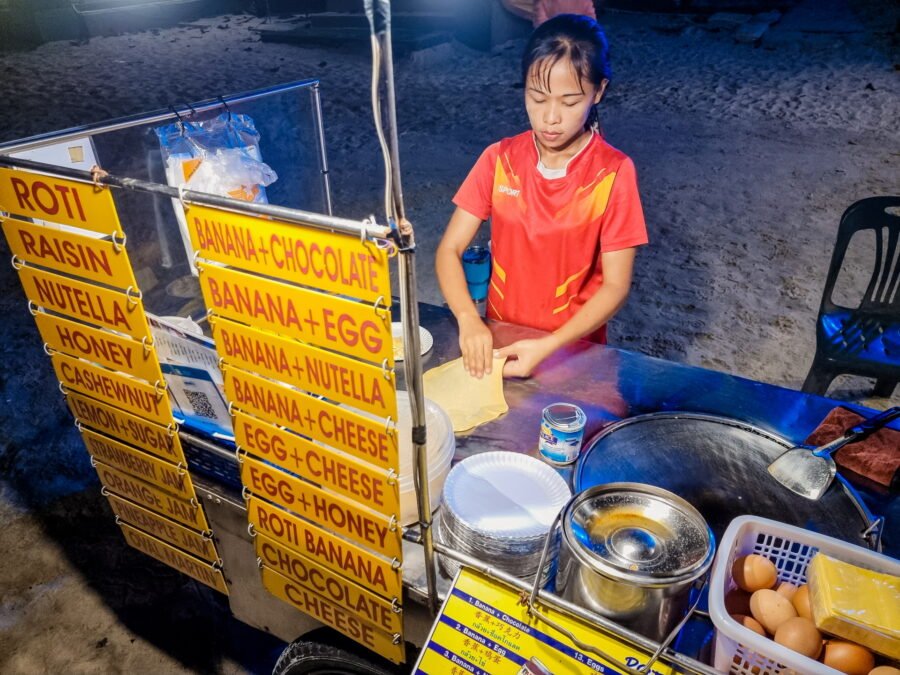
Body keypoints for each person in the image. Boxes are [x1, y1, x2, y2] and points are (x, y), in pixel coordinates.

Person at [435, 13, 648, 379]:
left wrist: (550, 346)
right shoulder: (498, 159)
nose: (550, 118)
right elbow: (449, 250)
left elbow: (615, 286)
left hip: (573, 349)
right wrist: (470, 320)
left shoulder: (614, 172)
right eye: (537, 98)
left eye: (569, 103)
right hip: (500, 340)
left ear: (598, 92)